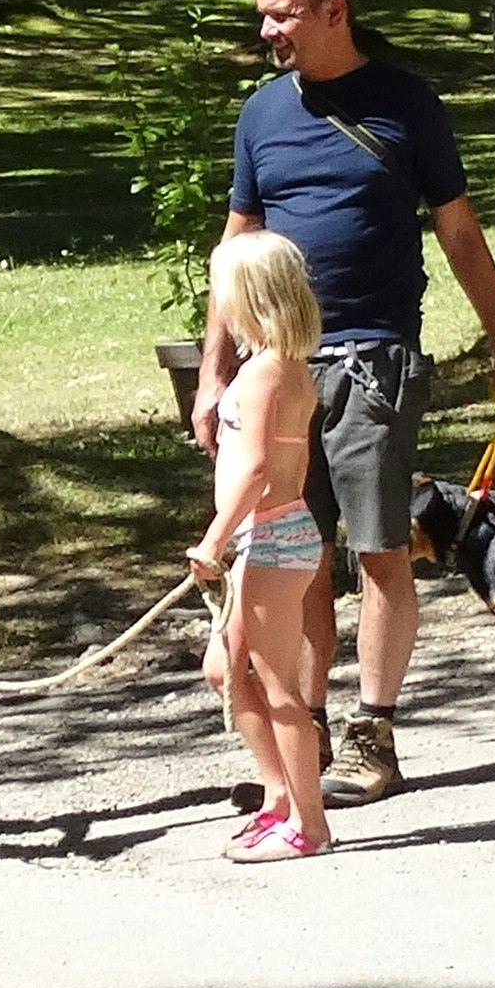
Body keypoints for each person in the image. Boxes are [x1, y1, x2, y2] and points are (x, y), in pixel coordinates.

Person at [196, 0, 495, 806]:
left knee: (377, 551)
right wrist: (214, 370)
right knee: (296, 556)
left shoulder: (405, 103)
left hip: (373, 360)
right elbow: (236, 246)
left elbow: (459, 232)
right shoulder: (261, 114)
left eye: (280, 13)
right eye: (262, 14)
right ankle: (303, 739)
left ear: (333, 11)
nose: (266, 28)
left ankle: (373, 735)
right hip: (277, 371)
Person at [188, 229, 334, 862]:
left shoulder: (264, 376)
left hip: (270, 539)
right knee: (224, 670)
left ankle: (310, 824)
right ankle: (278, 795)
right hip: (268, 536)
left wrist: (214, 540)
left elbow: (251, 471)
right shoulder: (279, 367)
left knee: (279, 688)